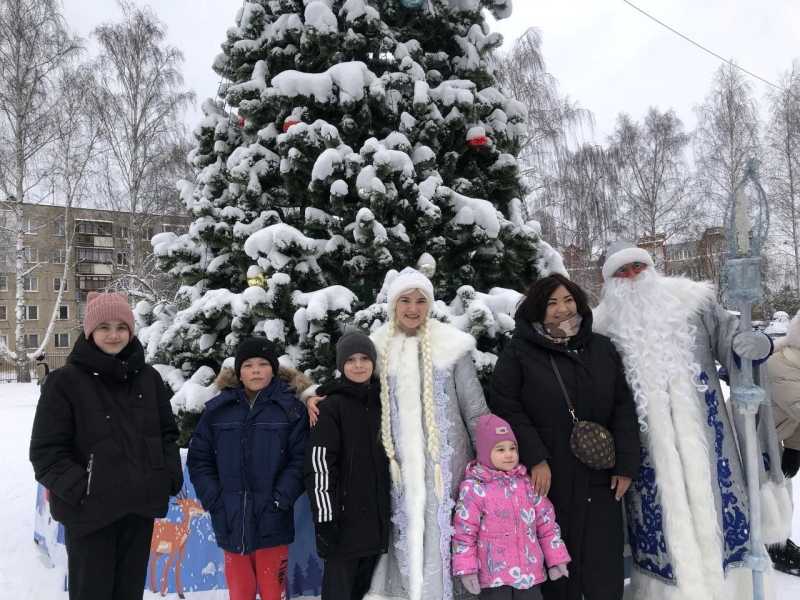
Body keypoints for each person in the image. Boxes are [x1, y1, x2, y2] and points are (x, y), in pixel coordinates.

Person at [593, 240, 787, 600]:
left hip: (710, 443)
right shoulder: (601, 329)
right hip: (648, 455)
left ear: (651, 268)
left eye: (638, 267)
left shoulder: (693, 303)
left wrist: (748, 345)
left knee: (720, 515)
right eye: (622, 271)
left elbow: (732, 338)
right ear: (609, 281)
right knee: (663, 533)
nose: (632, 276)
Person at [308, 266, 490, 600]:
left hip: (445, 477)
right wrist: (315, 397)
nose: (412, 307)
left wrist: (491, 467)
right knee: (399, 555)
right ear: (394, 304)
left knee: (446, 550)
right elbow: (351, 385)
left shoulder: (453, 347)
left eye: (420, 300)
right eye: (405, 300)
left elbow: (476, 411)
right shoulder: (378, 348)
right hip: (394, 479)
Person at [489, 273, 640, 600]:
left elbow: (622, 406)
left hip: (601, 476)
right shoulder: (520, 352)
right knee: (558, 566)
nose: (561, 309)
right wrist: (536, 457)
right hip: (551, 477)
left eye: (568, 300)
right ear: (538, 309)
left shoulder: (601, 348)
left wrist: (626, 464)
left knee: (603, 564)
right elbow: (504, 404)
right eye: (551, 302)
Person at [29, 291, 183, 600]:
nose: (114, 335)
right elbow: (46, 452)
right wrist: (83, 488)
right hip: (90, 515)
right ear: (90, 332)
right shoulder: (65, 382)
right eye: (104, 327)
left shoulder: (149, 379)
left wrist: (165, 477)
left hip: (138, 510)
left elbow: (167, 434)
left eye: (121, 327)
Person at [187, 337, 309, 600]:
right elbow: (199, 459)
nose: (255, 370)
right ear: (239, 373)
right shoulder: (218, 411)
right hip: (231, 521)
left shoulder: (291, 411)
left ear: (273, 370)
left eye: (263, 364)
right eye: (249, 365)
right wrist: (215, 500)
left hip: (273, 520)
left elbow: (300, 460)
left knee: (272, 592)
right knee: (240, 593)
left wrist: (280, 499)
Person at [305, 330, 390, 600]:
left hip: (376, 522)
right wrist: (327, 518)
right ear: (342, 365)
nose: (358, 365)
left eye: (364, 358)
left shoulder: (383, 402)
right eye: (351, 359)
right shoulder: (330, 407)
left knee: (365, 592)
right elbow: (320, 466)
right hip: (343, 523)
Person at [452, 414, 571, 600]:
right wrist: (467, 570)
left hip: (529, 574)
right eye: (500, 449)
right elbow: (464, 534)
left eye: (512, 448)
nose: (509, 454)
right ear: (485, 452)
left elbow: (547, 525)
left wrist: (556, 559)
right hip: (493, 577)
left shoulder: (527, 484)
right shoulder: (475, 489)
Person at [765, 311, 800, 576]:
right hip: (751, 436)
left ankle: (777, 539)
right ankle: (772, 545)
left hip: (775, 436)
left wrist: (796, 448)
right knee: (768, 491)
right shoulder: (781, 364)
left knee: (781, 490)